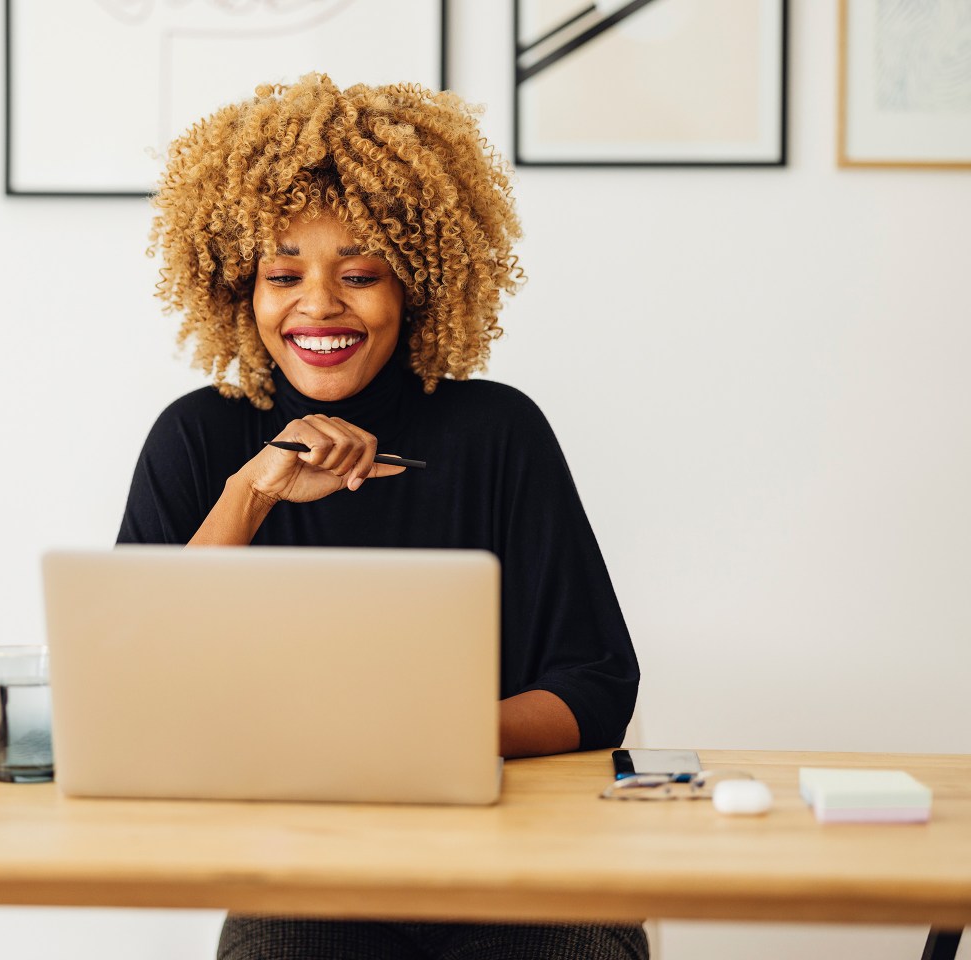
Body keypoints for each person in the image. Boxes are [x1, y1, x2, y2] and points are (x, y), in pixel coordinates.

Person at [117, 73, 645, 960]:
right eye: (284, 274)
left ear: (417, 284)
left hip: (519, 863)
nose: (318, 304)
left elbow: (597, 687)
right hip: (308, 871)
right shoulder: (199, 438)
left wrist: (418, 740)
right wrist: (252, 492)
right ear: (240, 289)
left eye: (359, 274)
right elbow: (135, 694)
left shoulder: (498, 430)